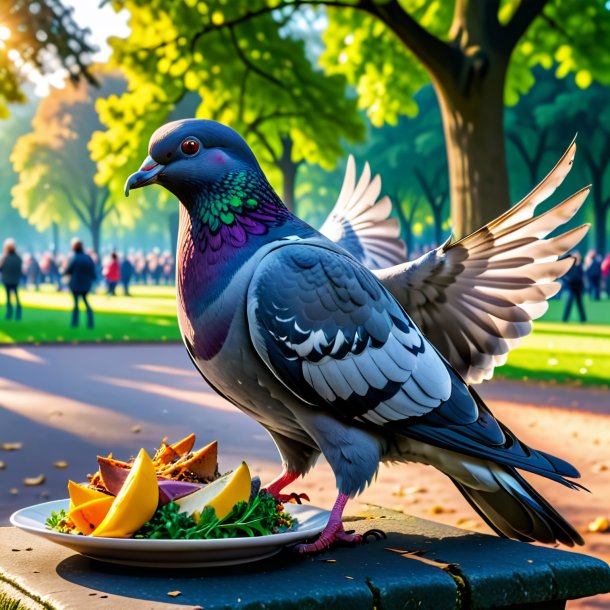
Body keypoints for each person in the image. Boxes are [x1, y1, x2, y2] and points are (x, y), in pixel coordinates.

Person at [64, 238, 96, 328]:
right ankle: (90, 322)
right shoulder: (88, 258)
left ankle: (74, 322)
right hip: (86, 285)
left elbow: (68, 271)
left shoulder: (74, 258)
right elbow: (93, 272)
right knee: (86, 303)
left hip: (76, 284)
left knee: (76, 304)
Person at [0, 238, 23, 320]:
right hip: (15, 280)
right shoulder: (18, 258)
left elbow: (1, 268)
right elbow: (20, 269)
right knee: (17, 296)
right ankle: (18, 313)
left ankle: (9, 313)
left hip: (7, 280)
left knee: (8, 297)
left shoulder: (4, 258)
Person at [562, 251, 587, 323]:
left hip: (579, 287)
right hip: (571, 287)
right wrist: (568, 280)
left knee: (580, 304)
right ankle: (565, 319)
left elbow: (583, 276)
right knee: (569, 303)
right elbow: (565, 275)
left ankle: (583, 319)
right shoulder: (570, 265)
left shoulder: (581, 266)